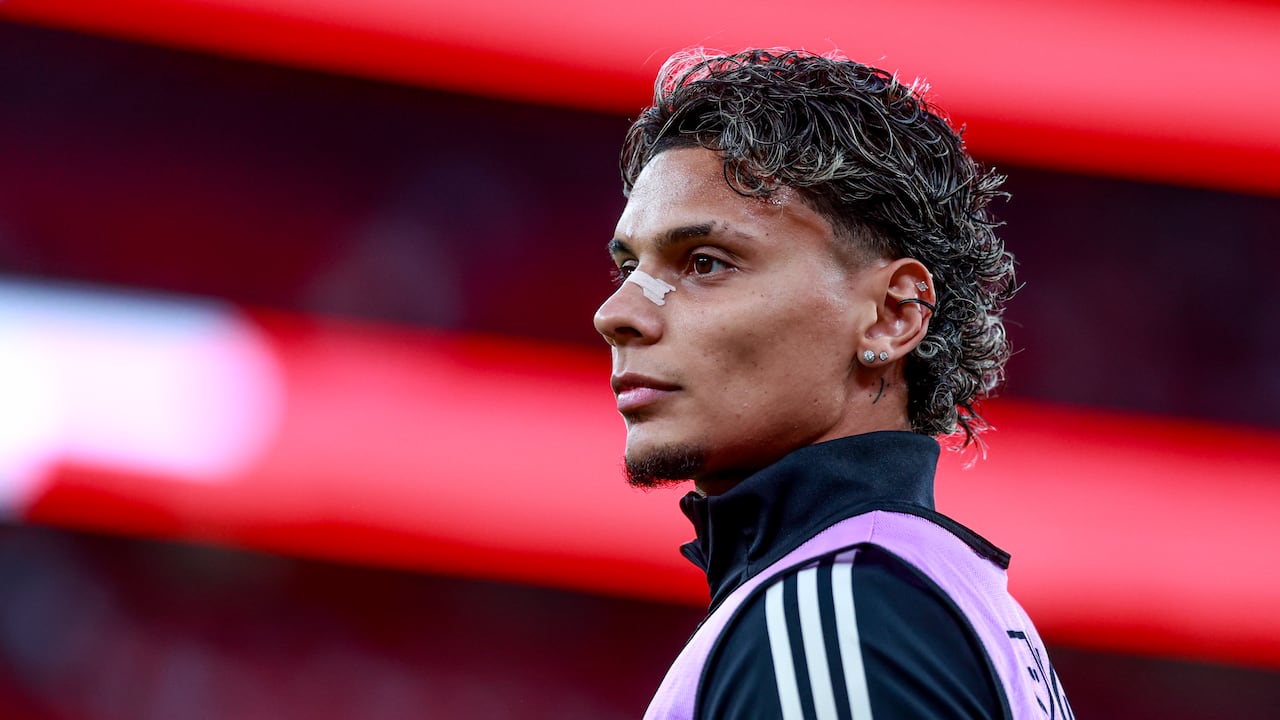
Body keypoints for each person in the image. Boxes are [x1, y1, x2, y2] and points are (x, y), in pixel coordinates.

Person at [593, 49, 1072, 719]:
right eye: (629, 270)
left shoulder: (833, 610)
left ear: (891, 316)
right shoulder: (939, 595)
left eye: (704, 262)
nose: (616, 315)